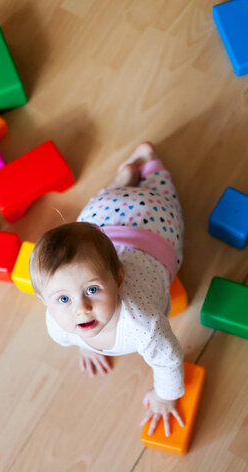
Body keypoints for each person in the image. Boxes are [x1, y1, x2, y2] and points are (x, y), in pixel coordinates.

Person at [29, 142, 185, 437]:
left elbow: (170, 360)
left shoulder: (144, 325)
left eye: (92, 290)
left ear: (120, 278)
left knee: (168, 201)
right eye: (63, 299)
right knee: (83, 233)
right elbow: (74, 315)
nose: (81, 309)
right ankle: (120, 183)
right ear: (45, 302)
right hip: (103, 216)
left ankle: (150, 165)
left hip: (153, 223)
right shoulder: (59, 325)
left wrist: (165, 397)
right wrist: (83, 344)